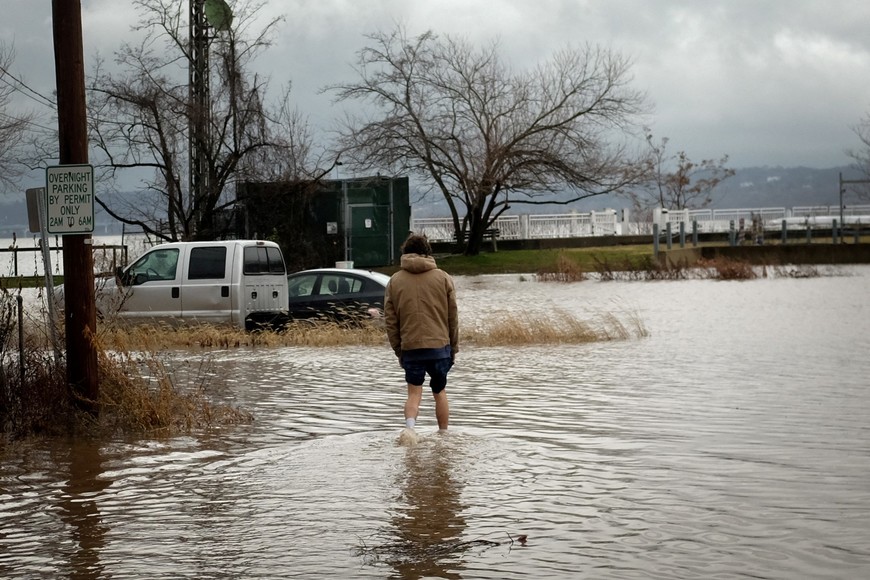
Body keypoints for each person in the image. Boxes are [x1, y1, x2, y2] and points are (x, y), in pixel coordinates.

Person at [384, 234, 459, 437]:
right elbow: (453, 317)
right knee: (439, 392)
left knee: (414, 394)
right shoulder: (443, 278)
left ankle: (409, 431)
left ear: (405, 253)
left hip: (411, 347)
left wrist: (399, 349)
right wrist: (454, 347)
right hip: (440, 346)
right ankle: (443, 436)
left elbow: (390, 322)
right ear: (428, 252)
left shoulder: (395, 281)